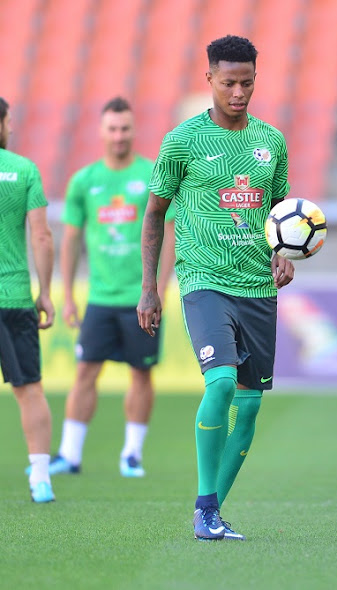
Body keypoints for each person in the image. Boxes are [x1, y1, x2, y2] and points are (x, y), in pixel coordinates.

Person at [137, 35, 295, 542]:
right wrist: (149, 287)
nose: (238, 92)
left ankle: (211, 513)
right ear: (209, 80)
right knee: (221, 383)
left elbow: (278, 215)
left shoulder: (272, 142)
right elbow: (154, 215)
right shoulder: (182, 141)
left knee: (248, 408)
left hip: (258, 289)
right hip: (204, 281)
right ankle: (207, 507)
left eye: (247, 82)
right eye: (228, 83)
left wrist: (281, 255)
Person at [43, 97, 175, 479]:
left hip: (141, 297)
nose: (119, 135)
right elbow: (70, 241)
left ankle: (132, 454)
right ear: (102, 132)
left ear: (134, 131)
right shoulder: (84, 181)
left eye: (125, 128)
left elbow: (169, 233)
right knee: (85, 370)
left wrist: (160, 288)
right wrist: (67, 295)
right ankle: (70, 454)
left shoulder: (152, 174)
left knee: (141, 373)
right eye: (113, 129)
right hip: (100, 297)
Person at [0, 97, 56, 502]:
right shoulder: (23, 171)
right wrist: (46, 292)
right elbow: (41, 235)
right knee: (30, 389)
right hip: (15, 297)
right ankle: (41, 478)